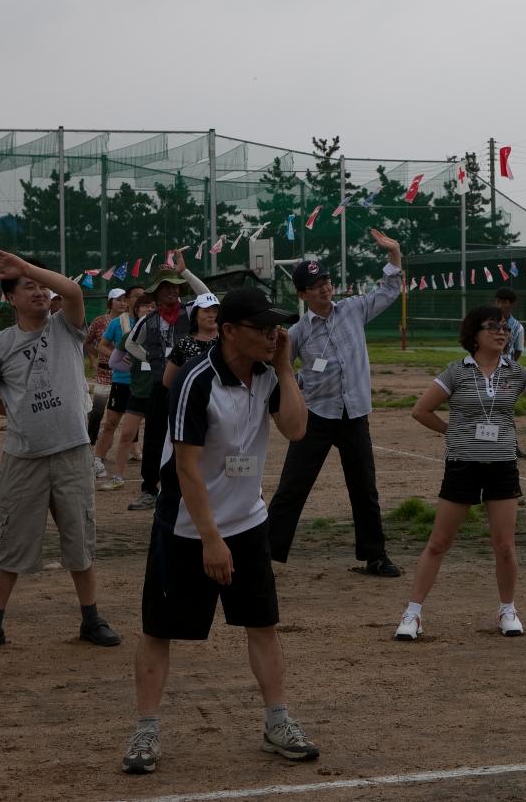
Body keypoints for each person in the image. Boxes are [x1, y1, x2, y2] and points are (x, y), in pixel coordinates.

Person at [121, 286, 316, 775]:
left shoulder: (270, 375)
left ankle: (278, 723)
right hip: (187, 525)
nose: (274, 336)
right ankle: (145, 730)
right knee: (159, 629)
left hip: (248, 521)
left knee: (263, 624)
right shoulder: (196, 379)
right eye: (263, 328)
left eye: (277, 328)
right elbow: (186, 467)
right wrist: (210, 539)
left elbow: (296, 430)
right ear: (229, 331)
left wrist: (287, 368)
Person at [0, 250, 122, 654]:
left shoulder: (66, 326)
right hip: (23, 456)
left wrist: (28, 269)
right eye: (27, 287)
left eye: (41, 287)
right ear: (10, 298)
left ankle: (91, 618)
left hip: (71, 452)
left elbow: (71, 289)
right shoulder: (0, 344)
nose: (37, 292)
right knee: (13, 543)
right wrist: (11, 410)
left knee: (79, 540)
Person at [397, 306, 526, 640]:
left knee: (504, 545)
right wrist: (451, 431)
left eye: (504, 327)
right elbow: (421, 410)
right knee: (438, 542)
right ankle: (412, 614)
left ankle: (507, 610)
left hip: (502, 466)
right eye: (492, 327)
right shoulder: (456, 372)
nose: (501, 332)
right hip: (462, 465)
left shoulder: (516, 372)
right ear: (474, 334)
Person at [266, 229, 404, 577]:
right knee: (292, 487)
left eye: (326, 281)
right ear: (303, 294)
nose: (324, 288)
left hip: (354, 413)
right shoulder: (298, 332)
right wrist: (293, 391)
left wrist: (394, 255)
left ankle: (375, 556)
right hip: (315, 416)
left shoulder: (354, 309)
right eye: (315, 285)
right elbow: (279, 368)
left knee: (364, 488)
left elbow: (388, 290)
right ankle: (264, 555)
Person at [123, 251, 211, 511]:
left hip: (193, 386)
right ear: (157, 292)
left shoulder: (190, 310)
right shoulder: (148, 320)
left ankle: (197, 486)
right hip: (162, 386)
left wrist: (184, 272)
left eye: (176, 287)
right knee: (154, 438)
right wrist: (150, 359)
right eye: (167, 287)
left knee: (197, 435)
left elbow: (207, 295)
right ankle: (149, 489)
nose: (173, 291)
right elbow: (130, 343)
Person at [100, 294, 154, 491]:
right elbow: (114, 362)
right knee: (127, 435)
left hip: (159, 393)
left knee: (158, 438)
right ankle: (117, 477)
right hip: (137, 392)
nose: (148, 310)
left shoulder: (165, 334)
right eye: (144, 306)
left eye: (151, 306)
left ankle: (159, 479)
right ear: (136, 311)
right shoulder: (128, 336)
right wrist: (131, 368)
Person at [87, 287, 129, 464]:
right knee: (97, 412)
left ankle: (133, 448)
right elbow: (88, 340)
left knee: (126, 414)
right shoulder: (100, 321)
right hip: (104, 373)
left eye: (124, 299)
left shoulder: (129, 321)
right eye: (118, 299)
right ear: (110, 302)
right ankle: (89, 448)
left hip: (123, 375)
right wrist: (92, 359)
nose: (122, 303)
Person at [494, 287, 526, 459]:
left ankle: (512, 445)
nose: (500, 305)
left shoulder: (517, 327)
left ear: (511, 304)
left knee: (505, 409)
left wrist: (509, 366)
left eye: (504, 302)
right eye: (498, 301)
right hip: (485, 369)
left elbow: (518, 351)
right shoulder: (487, 323)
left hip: (505, 373)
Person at [161, 292, 220, 389]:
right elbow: (168, 381)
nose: (211, 315)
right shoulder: (184, 344)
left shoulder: (228, 341)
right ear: (195, 315)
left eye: (215, 311)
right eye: (206, 310)